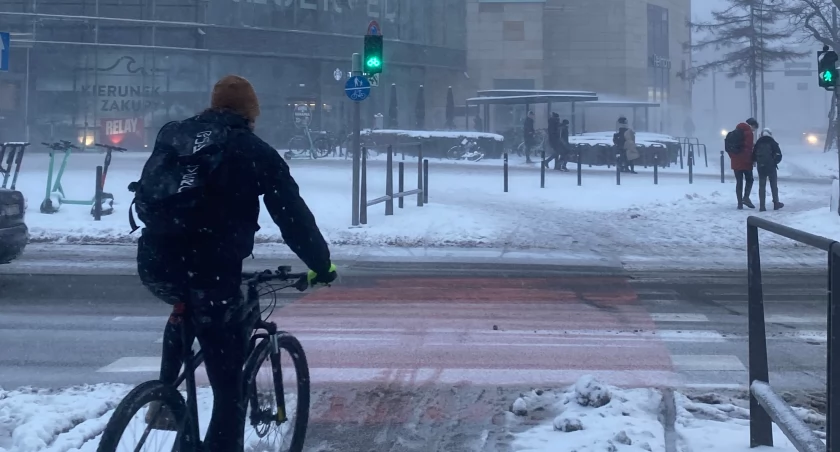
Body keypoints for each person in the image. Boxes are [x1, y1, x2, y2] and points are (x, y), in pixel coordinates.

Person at [130, 75, 337, 452]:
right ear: (251, 114)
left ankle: (165, 394)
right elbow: (292, 217)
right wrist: (320, 265)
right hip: (210, 268)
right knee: (228, 390)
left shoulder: (176, 133)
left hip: (155, 261)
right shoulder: (252, 150)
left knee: (184, 303)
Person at [726, 117, 759, 209]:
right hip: (745, 162)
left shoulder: (736, 131)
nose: (754, 131)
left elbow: (730, 147)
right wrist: (752, 160)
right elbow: (747, 149)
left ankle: (739, 203)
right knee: (750, 180)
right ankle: (746, 197)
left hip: (735, 162)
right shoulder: (748, 133)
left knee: (739, 182)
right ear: (752, 125)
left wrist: (733, 157)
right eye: (754, 128)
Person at [753, 128, 784, 212]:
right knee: (773, 185)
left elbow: (753, 156)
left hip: (761, 167)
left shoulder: (758, 142)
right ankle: (776, 203)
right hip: (771, 167)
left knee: (762, 186)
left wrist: (759, 162)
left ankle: (762, 206)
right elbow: (779, 155)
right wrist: (774, 162)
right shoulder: (772, 142)